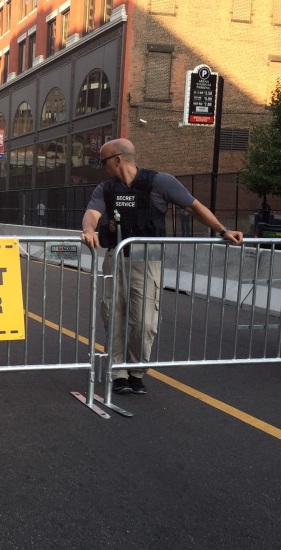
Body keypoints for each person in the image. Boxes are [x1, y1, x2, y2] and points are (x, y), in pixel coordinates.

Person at [80, 138, 243, 395]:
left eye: (103, 161)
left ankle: (136, 370)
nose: (102, 167)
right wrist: (88, 229)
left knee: (144, 321)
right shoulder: (105, 189)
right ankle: (118, 372)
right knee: (113, 316)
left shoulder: (160, 182)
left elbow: (194, 206)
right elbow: (93, 213)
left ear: (118, 159)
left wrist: (222, 230)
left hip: (146, 261)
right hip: (115, 257)